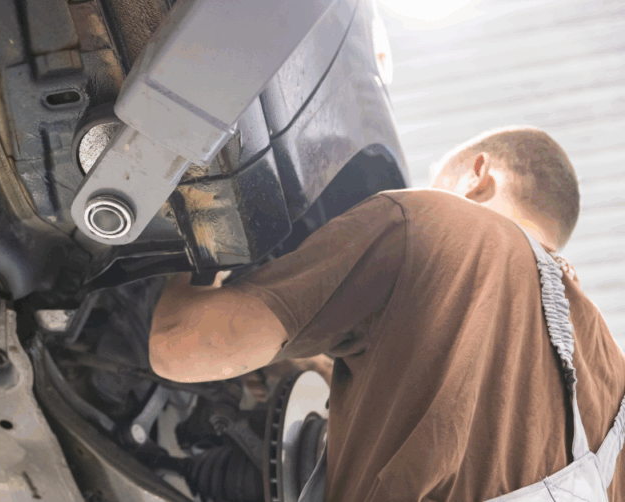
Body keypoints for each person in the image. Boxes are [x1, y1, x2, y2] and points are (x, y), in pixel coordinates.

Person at [148, 126, 625, 501]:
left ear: (478, 175)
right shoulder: (611, 378)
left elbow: (181, 346)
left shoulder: (438, 224)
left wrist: (195, 255)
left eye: (440, 181)